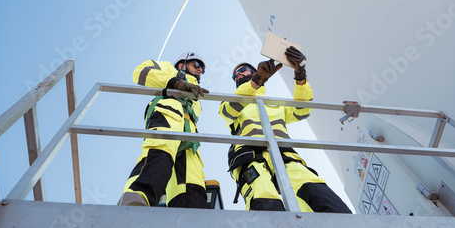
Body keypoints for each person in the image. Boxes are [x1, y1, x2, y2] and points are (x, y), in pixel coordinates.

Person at [219, 46, 351, 213]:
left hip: (285, 155)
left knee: (316, 192)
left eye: (243, 70)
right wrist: (256, 81)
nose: (239, 75)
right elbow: (227, 111)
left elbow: (302, 111)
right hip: (249, 158)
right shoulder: (230, 102)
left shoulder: (274, 102)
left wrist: (301, 77)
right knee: (264, 201)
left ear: (254, 71)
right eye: (235, 75)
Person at [119, 52, 209, 208]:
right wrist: (174, 83)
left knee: (191, 180)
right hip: (169, 114)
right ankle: (136, 201)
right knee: (160, 154)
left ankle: (191, 217)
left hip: (190, 135)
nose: (200, 69)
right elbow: (141, 72)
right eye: (196, 65)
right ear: (182, 64)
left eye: (202, 68)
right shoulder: (169, 69)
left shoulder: (196, 90)